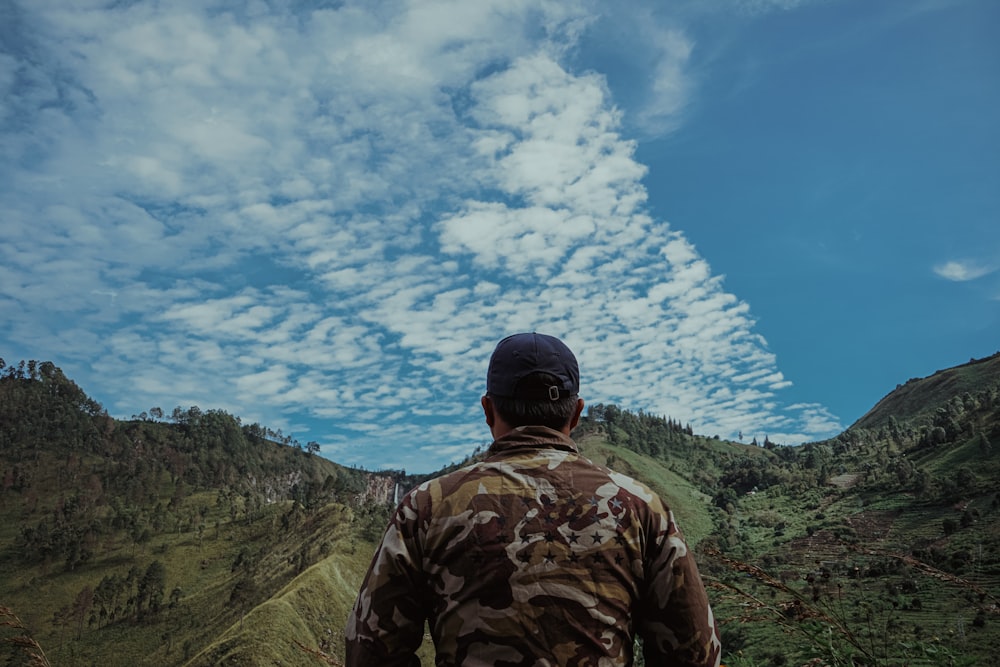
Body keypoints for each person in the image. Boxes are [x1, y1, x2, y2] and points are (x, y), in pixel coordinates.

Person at [345, 332, 721, 666]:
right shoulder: (641, 508)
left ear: (488, 410)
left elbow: (369, 653)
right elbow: (696, 654)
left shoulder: (425, 507)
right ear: (576, 413)